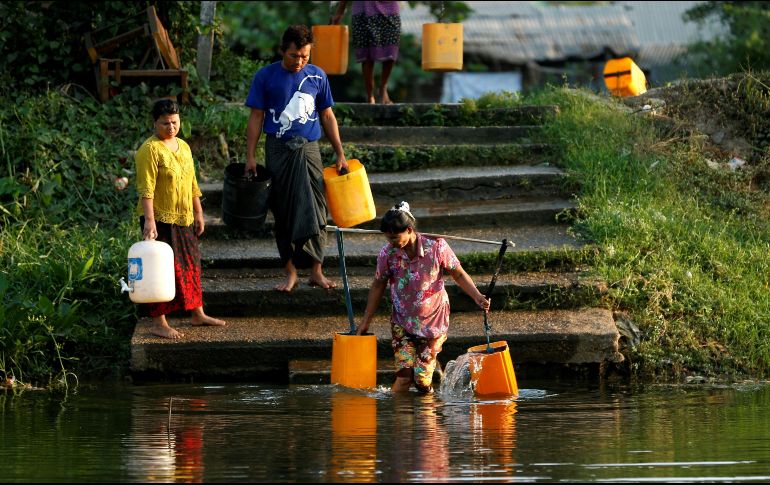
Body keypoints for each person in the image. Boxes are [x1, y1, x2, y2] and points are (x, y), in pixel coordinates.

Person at [245, 24, 348, 292]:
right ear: (283, 51)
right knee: (283, 209)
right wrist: (250, 157)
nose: (299, 61)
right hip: (278, 149)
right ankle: (290, 272)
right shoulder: (265, 76)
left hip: (310, 149)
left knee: (316, 209)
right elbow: (256, 117)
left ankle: (316, 270)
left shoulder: (317, 76)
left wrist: (340, 152)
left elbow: (327, 115)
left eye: (305, 56)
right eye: (294, 56)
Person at [356, 202, 491, 393]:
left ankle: (427, 415)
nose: (391, 242)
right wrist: (366, 321)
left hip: (433, 322)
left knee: (421, 381)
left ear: (409, 230)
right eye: (387, 238)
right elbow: (378, 284)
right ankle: (401, 420)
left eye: (395, 237)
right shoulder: (388, 253)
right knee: (403, 378)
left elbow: (458, 273)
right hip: (402, 322)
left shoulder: (436, 247)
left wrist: (477, 296)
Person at [134, 98, 226, 339]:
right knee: (160, 269)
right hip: (160, 218)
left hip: (184, 217)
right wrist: (149, 220)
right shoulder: (149, 150)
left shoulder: (183, 147)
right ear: (155, 124)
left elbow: (192, 182)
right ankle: (159, 322)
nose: (171, 127)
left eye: (174, 122)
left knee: (190, 265)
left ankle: (197, 313)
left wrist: (198, 212)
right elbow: (146, 188)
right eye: (165, 123)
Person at [331, 1, 401, 104]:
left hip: (389, 6)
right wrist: (340, 12)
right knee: (367, 55)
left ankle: (383, 88)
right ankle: (370, 95)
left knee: (391, 49)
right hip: (363, 7)